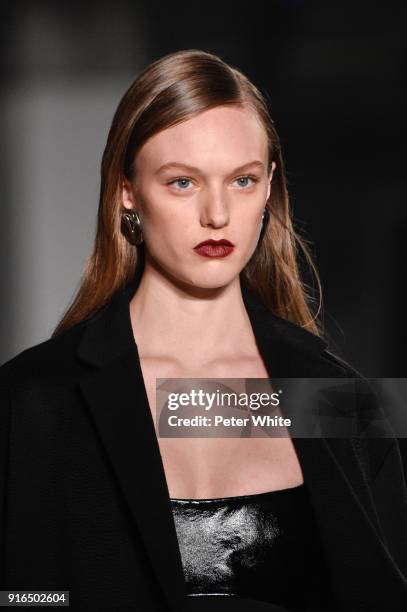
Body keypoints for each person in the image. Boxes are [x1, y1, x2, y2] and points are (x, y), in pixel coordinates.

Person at [0, 49, 406, 612]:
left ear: (268, 188)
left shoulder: (335, 398)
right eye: (182, 183)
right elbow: (22, 595)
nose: (217, 214)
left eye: (241, 180)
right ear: (127, 193)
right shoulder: (36, 400)